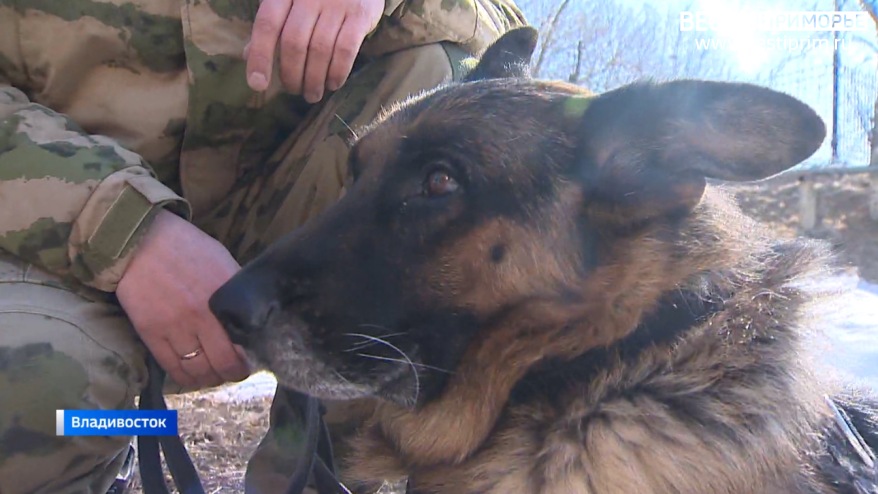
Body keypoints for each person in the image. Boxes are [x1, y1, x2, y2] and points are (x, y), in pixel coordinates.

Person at [0, 0, 526, 492]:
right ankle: (121, 430)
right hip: (53, 242)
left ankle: (323, 475)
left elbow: (500, 53)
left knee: (441, 81)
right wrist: (118, 225)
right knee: (34, 397)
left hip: (292, 222)